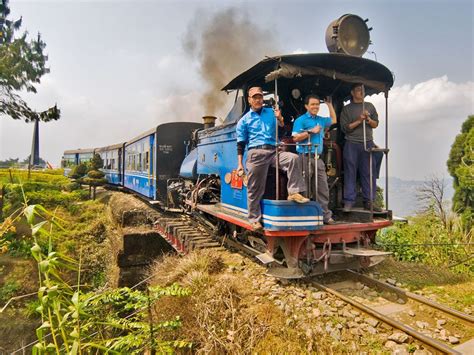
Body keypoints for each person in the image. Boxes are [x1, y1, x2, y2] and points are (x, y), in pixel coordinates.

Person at [236, 87, 309, 231]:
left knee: (293, 158)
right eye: (255, 97)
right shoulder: (244, 120)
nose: (258, 100)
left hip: (274, 151)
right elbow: (240, 144)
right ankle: (254, 219)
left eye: (260, 97)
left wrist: (280, 119)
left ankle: (294, 192)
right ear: (249, 100)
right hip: (256, 153)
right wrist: (239, 164)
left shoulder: (272, 113)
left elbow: (283, 130)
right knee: (254, 187)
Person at [292, 94, 337, 224]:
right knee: (304, 188)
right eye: (312, 104)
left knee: (322, 188)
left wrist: (328, 104)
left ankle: (325, 215)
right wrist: (311, 132)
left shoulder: (321, 120)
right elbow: (295, 138)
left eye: (317, 104)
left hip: (318, 158)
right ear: (307, 106)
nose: (315, 107)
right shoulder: (300, 120)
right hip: (304, 157)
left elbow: (334, 119)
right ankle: (304, 216)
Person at [340, 83, 382, 212]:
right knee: (350, 173)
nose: (361, 92)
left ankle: (369, 201)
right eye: (358, 90)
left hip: (367, 143)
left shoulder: (370, 106)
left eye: (362, 90)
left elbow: (375, 124)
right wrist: (359, 119)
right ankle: (349, 202)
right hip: (351, 143)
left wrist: (368, 119)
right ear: (352, 93)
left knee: (368, 173)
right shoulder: (347, 109)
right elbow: (345, 128)